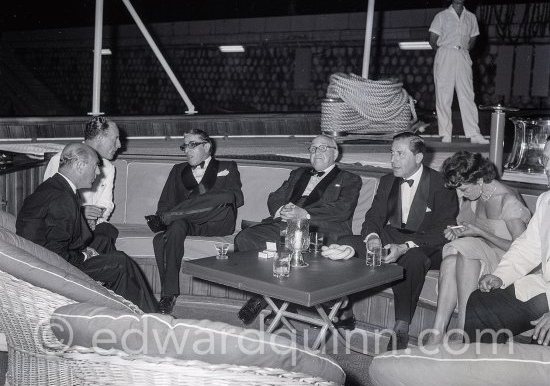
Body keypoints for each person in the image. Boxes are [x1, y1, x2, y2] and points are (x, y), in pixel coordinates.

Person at [338, 132, 459, 349]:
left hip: (425, 243)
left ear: (419, 157)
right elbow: (374, 217)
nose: (393, 160)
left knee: (412, 259)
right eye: (392, 153)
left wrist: (404, 247)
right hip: (391, 235)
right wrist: (373, 238)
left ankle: (401, 327)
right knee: (347, 241)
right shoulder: (387, 181)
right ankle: (343, 304)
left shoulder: (441, 184)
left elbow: (443, 230)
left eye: (400, 154)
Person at [235, 134, 362, 325]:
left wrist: (304, 214)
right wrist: (282, 210)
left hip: (319, 229)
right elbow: (275, 196)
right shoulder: (298, 174)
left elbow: (341, 210)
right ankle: (275, 297)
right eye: (312, 149)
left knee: (288, 248)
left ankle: (268, 300)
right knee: (245, 238)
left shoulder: (349, 179)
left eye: (322, 148)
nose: (316, 152)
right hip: (284, 225)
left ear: (335, 154)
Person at [17, 143, 157, 313]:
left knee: (104, 242)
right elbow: (56, 254)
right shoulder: (62, 198)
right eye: (95, 166)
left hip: (42, 258)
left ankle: (114, 309)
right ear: (80, 165)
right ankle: (150, 318)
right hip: (49, 269)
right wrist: (83, 255)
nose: (98, 172)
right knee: (120, 262)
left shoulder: (55, 186)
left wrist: (85, 249)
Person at [425, 151, 531, 345]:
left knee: (466, 254)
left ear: (480, 179)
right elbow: (472, 227)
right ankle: (437, 331)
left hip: (509, 266)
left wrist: (480, 233)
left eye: (463, 189)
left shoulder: (508, 200)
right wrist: (459, 231)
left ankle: (464, 329)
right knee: (450, 260)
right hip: (486, 256)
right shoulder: (476, 196)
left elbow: (522, 252)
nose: (460, 194)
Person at [464, 137, 550, 345]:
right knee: (480, 303)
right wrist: (500, 276)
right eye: (545, 159)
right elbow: (527, 247)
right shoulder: (546, 201)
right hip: (545, 291)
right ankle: (474, 374)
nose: (546, 167)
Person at [150, 129, 243, 315]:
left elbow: (237, 198)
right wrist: (167, 214)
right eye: (185, 146)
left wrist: (171, 214)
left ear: (207, 146)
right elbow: (165, 203)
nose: (187, 150)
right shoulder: (178, 170)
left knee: (226, 196)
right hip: (187, 223)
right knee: (175, 226)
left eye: (193, 144)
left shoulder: (228, 166)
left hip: (218, 220)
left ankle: (175, 215)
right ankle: (168, 294)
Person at [43, 115, 121, 251]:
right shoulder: (62, 160)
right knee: (102, 243)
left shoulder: (108, 168)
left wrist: (94, 217)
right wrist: (80, 213)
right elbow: (49, 204)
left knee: (106, 233)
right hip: (65, 225)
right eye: (115, 139)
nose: (119, 145)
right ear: (100, 139)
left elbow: (106, 204)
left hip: (96, 225)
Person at [429, 0, 488, 145]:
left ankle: (474, 133)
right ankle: (445, 132)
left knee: (467, 94)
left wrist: (464, 51)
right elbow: (432, 39)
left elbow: (473, 39)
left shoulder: (471, 17)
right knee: (444, 94)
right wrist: (442, 52)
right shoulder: (441, 16)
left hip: (463, 55)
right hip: (445, 53)